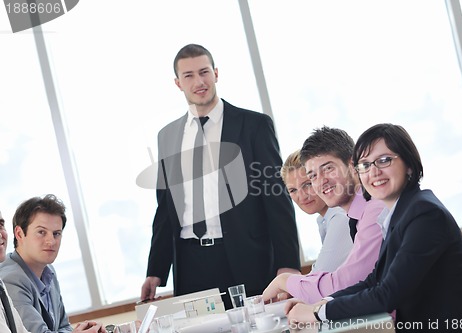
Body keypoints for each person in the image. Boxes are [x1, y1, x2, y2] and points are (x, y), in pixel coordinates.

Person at [141, 43, 301, 309]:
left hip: (248, 257)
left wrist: (288, 263)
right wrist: (156, 269)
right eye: (189, 75)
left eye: (204, 72)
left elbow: (276, 197)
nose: (199, 81)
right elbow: (165, 209)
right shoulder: (167, 137)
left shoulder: (254, 126)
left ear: (216, 73)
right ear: (178, 83)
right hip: (190, 265)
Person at [285, 123, 462, 332]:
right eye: (365, 164)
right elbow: (375, 279)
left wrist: (317, 313)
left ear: (409, 164)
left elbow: (387, 294)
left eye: (384, 161)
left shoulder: (425, 214)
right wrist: (323, 303)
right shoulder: (398, 213)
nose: (374, 172)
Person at [262, 127, 385, 304]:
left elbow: (343, 282)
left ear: (352, 164)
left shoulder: (366, 210)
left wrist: (285, 281)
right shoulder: (351, 214)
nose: (320, 181)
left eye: (328, 169)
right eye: (313, 176)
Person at [0, 196, 106, 333]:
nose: (51, 241)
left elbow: (63, 327)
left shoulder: (48, 271)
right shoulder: (10, 278)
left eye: (56, 234)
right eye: (41, 232)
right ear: (19, 234)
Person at [280, 150, 352, 273]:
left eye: (307, 185)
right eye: (293, 190)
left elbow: (319, 276)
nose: (302, 196)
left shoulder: (340, 216)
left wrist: (282, 282)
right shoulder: (324, 219)